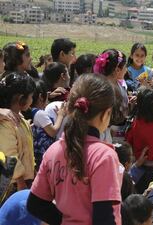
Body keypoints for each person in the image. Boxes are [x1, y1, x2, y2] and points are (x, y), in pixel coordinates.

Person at [27, 74, 123, 225]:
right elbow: (104, 218)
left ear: (71, 108)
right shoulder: (103, 156)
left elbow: (35, 204)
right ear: (106, 114)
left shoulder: (54, 150)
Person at [0, 73, 36, 195]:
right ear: (22, 99)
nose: (32, 100)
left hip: (25, 179)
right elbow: (10, 156)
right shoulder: (6, 123)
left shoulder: (20, 117)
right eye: (31, 96)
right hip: (12, 185)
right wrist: (21, 183)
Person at [93, 49, 129, 142]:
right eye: (125, 66)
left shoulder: (117, 84)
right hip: (103, 134)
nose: (126, 69)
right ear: (117, 70)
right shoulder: (106, 89)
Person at [31, 80, 66, 170]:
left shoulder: (33, 111)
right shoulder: (40, 114)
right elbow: (53, 131)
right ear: (40, 97)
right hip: (42, 154)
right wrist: (60, 116)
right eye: (47, 94)